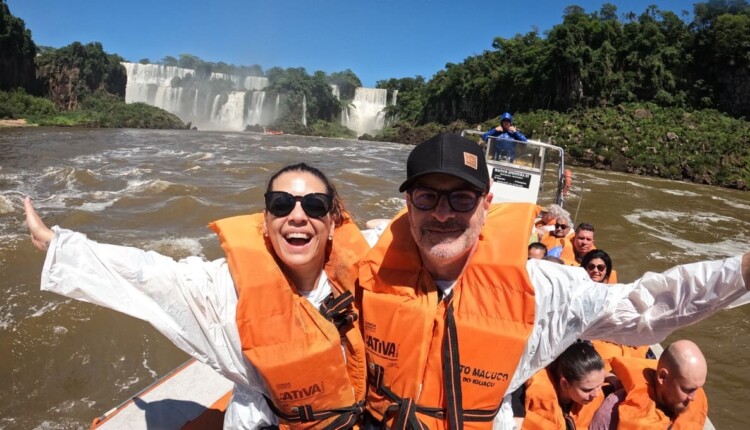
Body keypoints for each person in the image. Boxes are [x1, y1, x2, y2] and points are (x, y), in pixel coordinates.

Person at [357, 132, 750, 430]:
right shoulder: (364, 270)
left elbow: (649, 304)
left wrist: (743, 271)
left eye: (461, 198)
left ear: (486, 206)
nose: (443, 214)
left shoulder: (543, 291)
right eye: (427, 197)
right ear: (408, 205)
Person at [25, 163, 372, 428]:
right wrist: (57, 244)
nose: (297, 216)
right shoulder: (220, 289)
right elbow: (148, 274)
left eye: (314, 205)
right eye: (281, 204)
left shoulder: (369, 272)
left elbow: (413, 230)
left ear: (332, 222)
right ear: (265, 221)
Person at [589, 340, 709, 429]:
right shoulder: (612, 411)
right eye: (687, 389)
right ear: (662, 377)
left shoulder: (691, 402)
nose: (693, 397)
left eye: (697, 388)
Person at [521, 341, 606, 429]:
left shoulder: (597, 400)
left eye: (599, 386)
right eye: (587, 390)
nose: (596, 394)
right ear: (565, 384)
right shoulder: (523, 398)